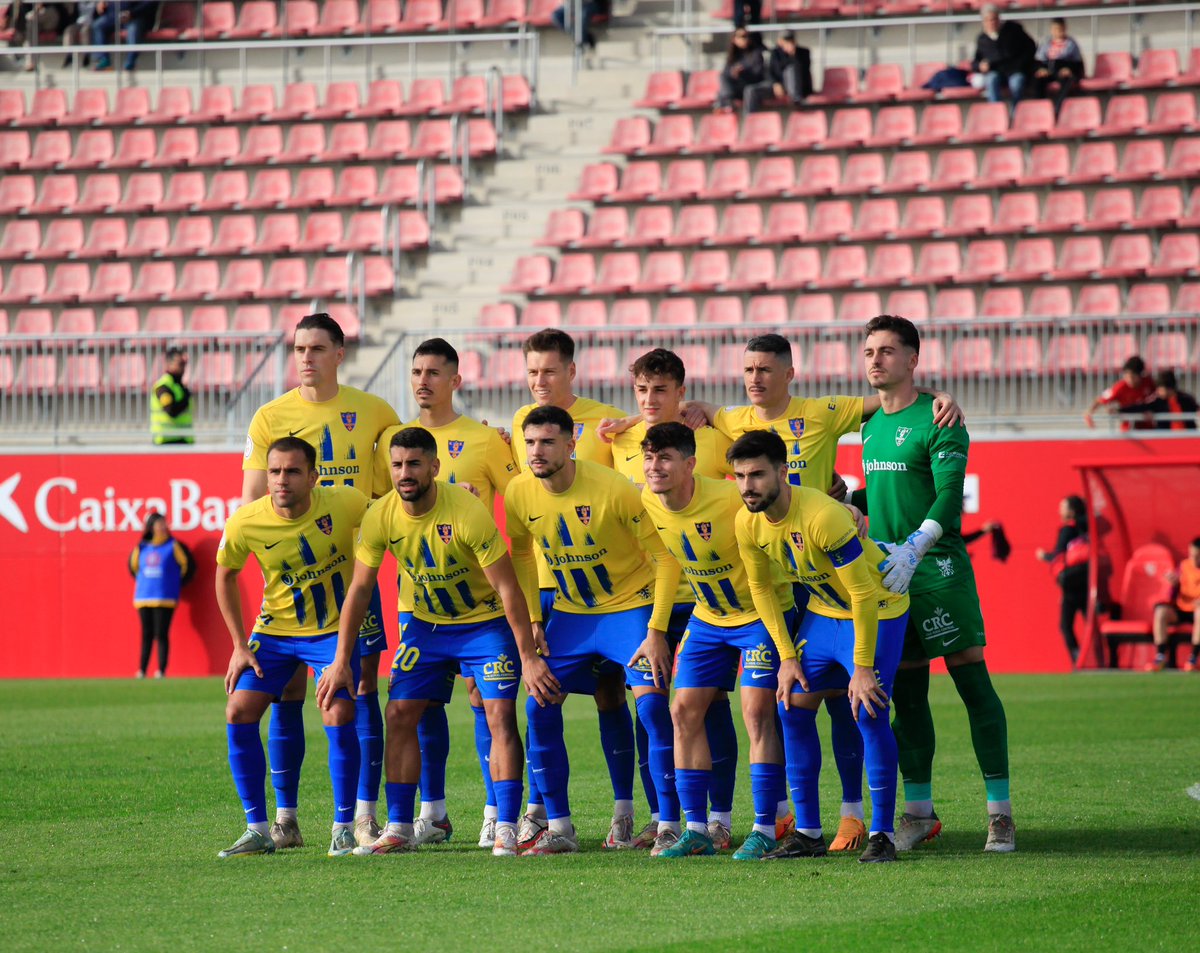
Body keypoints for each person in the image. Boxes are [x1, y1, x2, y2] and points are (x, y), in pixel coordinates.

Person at [331, 427, 557, 857]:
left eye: (414, 463)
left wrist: (527, 656)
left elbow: (508, 589)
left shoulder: (467, 511)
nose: (404, 473)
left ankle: (506, 826)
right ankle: (399, 827)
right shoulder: (381, 515)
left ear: (435, 467)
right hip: (427, 626)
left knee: (499, 715)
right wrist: (343, 658)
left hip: (485, 625)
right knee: (398, 713)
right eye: (396, 465)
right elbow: (359, 590)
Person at [852, 314, 1015, 853]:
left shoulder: (940, 417)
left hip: (937, 567)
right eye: (870, 351)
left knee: (973, 682)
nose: (876, 360)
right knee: (908, 696)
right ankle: (919, 814)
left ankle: (1000, 813)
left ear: (913, 359)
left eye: (887, 351)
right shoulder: (870, 424)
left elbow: (949, 492)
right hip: (888, 575)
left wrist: (918, 543)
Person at [242, 311, 400, 851]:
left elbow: (400, 477)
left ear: (339, 353)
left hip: (353, 573)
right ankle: (285, 820)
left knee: (359, 688)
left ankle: (362, 816)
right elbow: (252, 501)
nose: (305, 357)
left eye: (316, 348)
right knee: (286, 689)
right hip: (292, 580)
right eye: (298, 348)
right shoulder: (269, 417)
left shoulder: (375, 411)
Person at [504, 406, 682, 855]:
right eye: (530, 442)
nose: (536, 451)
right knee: (538, 703)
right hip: (571, 615)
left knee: (653, 709)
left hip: (630, 610)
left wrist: (656, 630)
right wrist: (534, 620)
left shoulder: (614, 489)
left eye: (547, 442)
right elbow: (522, 557)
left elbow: (665, 559)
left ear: (571, 444)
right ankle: (560, 829)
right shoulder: (519, 492)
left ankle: (666, 822)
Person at [731, 430, 910, 863]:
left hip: (876, 610)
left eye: (756, 474)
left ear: (783, 471)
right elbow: (760, 589)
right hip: (825, 613)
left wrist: (862, 667)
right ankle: (809, 834)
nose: (747, 486)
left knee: (869, 708)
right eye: (738, 476)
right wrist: (788, 658)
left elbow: (864, 594)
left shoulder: (823, 516)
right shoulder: (747, 521)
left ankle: (882, 834)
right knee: (790, 703)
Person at [372, 338, 517, 851]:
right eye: (416, 371)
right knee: (420, 705)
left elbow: (521, 499)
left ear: (455, 380)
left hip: (479, 601)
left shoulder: (485, 440)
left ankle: (495, 812)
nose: (422, 381)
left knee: (485, 702)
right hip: (419, 601)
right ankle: (430, 814)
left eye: (434, 372)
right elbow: (381, 504)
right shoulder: (391, 438)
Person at [640, 422, 796, 860]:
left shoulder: (731, 498)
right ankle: (696, 829)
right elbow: (669, 560)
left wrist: (849, 509)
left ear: (690, 464)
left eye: (666, 457)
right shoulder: (648, 502)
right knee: (681, 710)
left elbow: (789, 506)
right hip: (708, 619)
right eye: (649, 457)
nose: (655, 467)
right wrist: (656, 628)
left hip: (760, 615)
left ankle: (767, 826)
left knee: (756, 712)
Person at [509, 329, 637, 852]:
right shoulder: (520, 425)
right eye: (533, 372)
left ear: (571, 372)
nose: (540, 381)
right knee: (540, 691)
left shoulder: (606, 422)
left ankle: (630, 812)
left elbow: (644, 468)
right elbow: (521, 514)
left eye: (550, 371)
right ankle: (541, 813)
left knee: (615, 692)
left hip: (614, 592)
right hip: (550, 589)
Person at [213, 437, 368, 858]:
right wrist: (238, 645)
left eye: (292, 471)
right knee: (238, 710)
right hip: (275, 634)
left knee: (336, 712)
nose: (281, 480)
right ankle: (259, 828)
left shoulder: (345, 503)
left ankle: (343, 828)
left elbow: (394, 518)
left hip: (332, 634)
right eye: (275, 471)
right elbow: (224, 576)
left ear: (314, 476)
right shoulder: (246, 522)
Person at [128, 511, 194, 679]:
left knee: (161, 633)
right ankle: (142, 670)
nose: (163, 526)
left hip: (165, 596)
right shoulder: (142, 546)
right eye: (159, 524)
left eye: (164, 523)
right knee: (146, 634)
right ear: (151, 527)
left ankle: (161, 670)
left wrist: (174, 583)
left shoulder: (173, 545)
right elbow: (134, 567)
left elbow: (186, 566)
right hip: (143, 597)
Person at [1036, 496, 1089, 664]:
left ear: (1071, 512)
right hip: (1087, 583)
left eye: (1063, 507)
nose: (1059, 510)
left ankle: (1079, 660)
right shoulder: (1088, 529)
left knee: (1066, 626)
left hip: (1071, 585)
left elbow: (1058, 555)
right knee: (1091, 625)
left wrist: (1043, 555)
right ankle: (1100, 659)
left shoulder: (1067, 530)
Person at [1145, 538, 1200, 672]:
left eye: (1198, 556)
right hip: (1181, 608)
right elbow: (1170, 594)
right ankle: (1161, 657)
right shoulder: (1184, 566)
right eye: (1192, 555)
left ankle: (1193, 658)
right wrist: (1172, 584)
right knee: (1161, 612)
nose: (1194, 559)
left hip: (1197, 611)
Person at [972, 4, 1036, 110]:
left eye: (994, 19)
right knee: (991, 79)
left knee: (1016, 83)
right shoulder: (982, 39)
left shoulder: (1013, 30)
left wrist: (1021, 65)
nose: (991, 23)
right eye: (988, 20)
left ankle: (1016, 115)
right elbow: (976, 61)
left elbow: (1030, 48)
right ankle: (996, 113)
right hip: (996, 71)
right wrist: (980, 66)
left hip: (1015, 70)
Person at [1084, 356, 1156, 431]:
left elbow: (1160, 398)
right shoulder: (1120, 387)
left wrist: (1152, 410)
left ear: (1140, 375)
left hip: (1148, 428)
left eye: (1133, 377)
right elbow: (1101, 399)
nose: (1129, 380)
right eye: (1126, 376)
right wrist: (1089, 413)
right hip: (1128, 429)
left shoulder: (1149, 382)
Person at [748, 30, 812, 111]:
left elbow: (803, 71)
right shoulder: (775, 53)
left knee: (791, 69)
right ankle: (750, 119)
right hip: (778, 86)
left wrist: (793, 55)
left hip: (797, 87)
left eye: (789, 40)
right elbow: (769, 72)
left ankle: (796, 100)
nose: (787, 42)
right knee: (751, 90)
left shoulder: (803, 53)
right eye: (785, 40)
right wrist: (775, 83)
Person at [1033, 17, 1084, 113]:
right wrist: (1041, 69)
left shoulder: (1071, 44)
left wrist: (1069, 69)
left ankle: (1057, 109)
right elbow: (1039, 60)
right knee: (1038, 80)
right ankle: (1040, 108)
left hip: (1063, 69)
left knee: (1066, 80)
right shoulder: (1045, 43)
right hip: (1048, 69)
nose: (1057, 32)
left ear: (1064, 28)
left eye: (1060, 29)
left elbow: (1077, 62)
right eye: (1055, 29)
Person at [1120, 370, 1199, 431]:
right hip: (1164, 438)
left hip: (1187, 437)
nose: (1157, 392)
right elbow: (1140, 407)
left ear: (1170, 388)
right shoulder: (1157, 400)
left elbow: (1197, 408)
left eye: (1160, 389)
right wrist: (1119, 410)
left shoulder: (1186, 399)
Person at [92, 0, 159, 72]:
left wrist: (132, 13)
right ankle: (103, 60)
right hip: (114, 15)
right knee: (98, 25)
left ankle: (130, 63)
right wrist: (101, 2)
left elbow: (150, 3)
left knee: (133, 30)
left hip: (136, 16)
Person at [716, 28, 765, 113]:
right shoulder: (733, 55)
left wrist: (743, 72)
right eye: (740, 37)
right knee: (722, 78)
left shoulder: (755, 53)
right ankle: (727, 102)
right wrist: (733, 73)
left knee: (722, 94)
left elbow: (758, 75)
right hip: (736, 89)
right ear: (734, 39)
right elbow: (726, 73)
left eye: (746, 36)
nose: (744, 39)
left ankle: (726, 103)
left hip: (750, 86)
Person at [150, 346, 192, 446]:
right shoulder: (163, 386)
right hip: (166, 442)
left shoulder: (179, 385)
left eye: (184, 364)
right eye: (180, 364)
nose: (183, 368)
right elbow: (171, 410)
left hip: (183, 440)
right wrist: (186, 397)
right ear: (169, 364)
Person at [62, 1, 98, 66]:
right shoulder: (77, 2)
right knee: (69, 30)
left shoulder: (96, 2)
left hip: (91, 23)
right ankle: (69, 55)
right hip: (78, 23)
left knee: (84, 31)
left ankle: (86, 56)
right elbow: (72, 15)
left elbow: (99, 14)